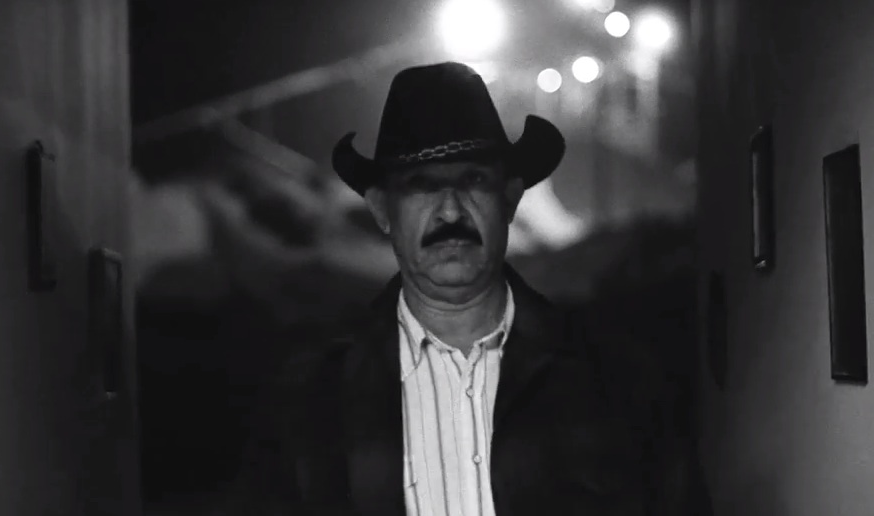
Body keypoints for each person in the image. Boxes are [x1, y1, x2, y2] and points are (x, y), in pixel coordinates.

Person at [227, 61, 711, 515]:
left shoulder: (616, 380)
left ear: (510, 198)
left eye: (473, 179)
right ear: (382, 210)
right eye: (421, 184)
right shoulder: (312, 399)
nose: (450, 211)